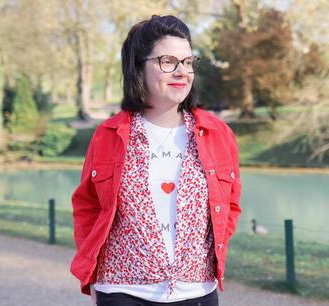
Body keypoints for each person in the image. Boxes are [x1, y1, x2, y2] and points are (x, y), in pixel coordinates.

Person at [70, 15, 242, 306]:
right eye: (168, 61)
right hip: (123, 292)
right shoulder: (108, 136)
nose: (182, 72)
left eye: (188, 63)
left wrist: (200, 258)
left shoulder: (217, 133)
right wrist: (97, 280)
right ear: (139, 68)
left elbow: (231, 205)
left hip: (197, 293)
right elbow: (87, 206)